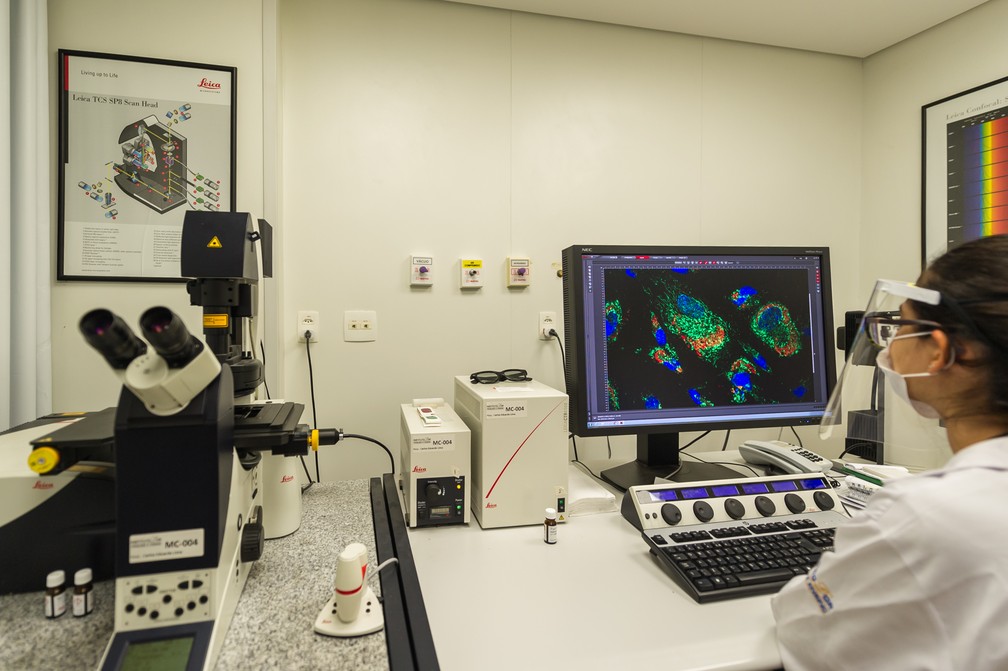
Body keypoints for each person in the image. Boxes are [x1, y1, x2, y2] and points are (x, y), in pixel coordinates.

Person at [772, 234, 1008, 670]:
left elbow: (805, 626)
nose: (889, 344)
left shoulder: (924, 515)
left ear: (937, 351)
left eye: (900, 325)